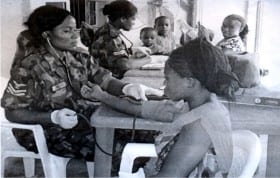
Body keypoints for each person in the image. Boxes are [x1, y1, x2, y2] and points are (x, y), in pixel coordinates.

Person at [1, 5, 163, 163]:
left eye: (73, 29)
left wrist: (127, 87)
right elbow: (12, 112)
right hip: (46, 129)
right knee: (118, 149)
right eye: (66, 31)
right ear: (47, 35)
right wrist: (52, 117)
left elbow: (104, 79)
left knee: (145, 135)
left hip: (84, 118)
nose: (74, 36)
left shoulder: (79, 56)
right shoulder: (29, 66)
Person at [81, 38, 240, 177]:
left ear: (190, 82)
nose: (164, 85)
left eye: (168, 79)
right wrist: (102, 96)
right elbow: (140, 108)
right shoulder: (190, 105)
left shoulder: (200, 124)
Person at [81, 0, 151, 79]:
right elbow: (125, 65)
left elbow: (111, 52)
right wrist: (150, 60)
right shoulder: (110, 37)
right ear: (123, 19)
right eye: (133, 19)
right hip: (111, 80)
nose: (134, 23)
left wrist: (133, 50)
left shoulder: (107, 30)